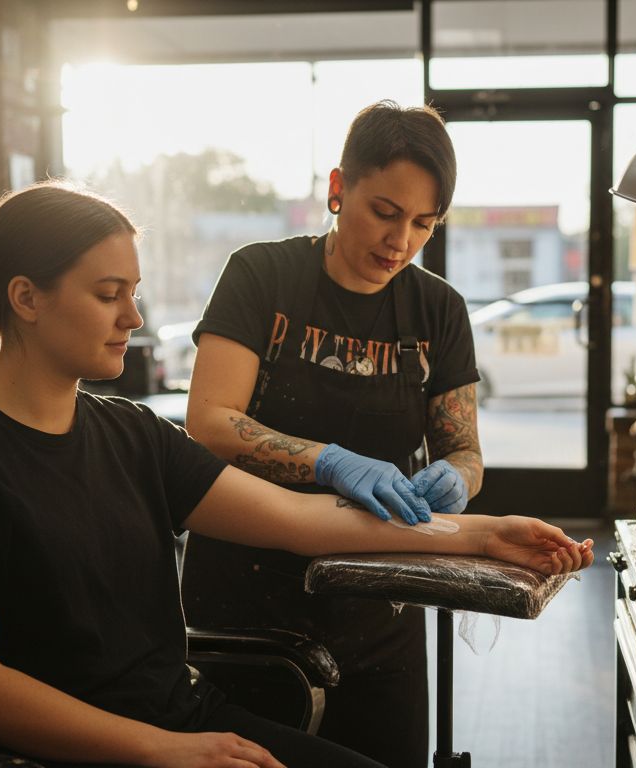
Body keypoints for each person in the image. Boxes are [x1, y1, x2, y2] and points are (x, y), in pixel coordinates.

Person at [0, 180, 593, 768]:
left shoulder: (128, 434)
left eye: (135, 290)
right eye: (108, 293)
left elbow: (305, 521)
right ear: (26, 298)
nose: (134, 315)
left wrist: (482, 534)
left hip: (182, 719)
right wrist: (166, 751)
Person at [181, 101, 480, 767]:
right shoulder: (262, 275)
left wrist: (456, 478)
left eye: (423, 224)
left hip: (381, 608)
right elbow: (208, 421)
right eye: (384, 211)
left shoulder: (439, 310)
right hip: (247, 606)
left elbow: (464, 449)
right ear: (338, 189)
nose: (400, 240)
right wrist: (328, 462)